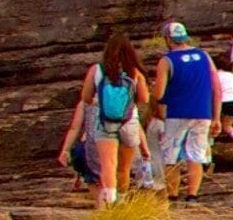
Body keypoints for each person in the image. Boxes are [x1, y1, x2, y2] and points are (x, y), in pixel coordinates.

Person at [60, 35, 142, 205]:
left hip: (105, 122)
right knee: (124, 168)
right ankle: (121, 202)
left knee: (107, 165)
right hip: (129, 121)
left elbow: (85, 97)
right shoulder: (134, 71)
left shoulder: (97, 70)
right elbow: (144, 98)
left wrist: (99, 102)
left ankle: (109, 203)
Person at [145, 21, 221, 200]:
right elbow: (216, 87)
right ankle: (192, 196)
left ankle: (173, 195)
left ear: (168, 39)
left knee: (171, 156)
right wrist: (216, 117)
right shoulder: (204, 55)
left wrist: (151, 93)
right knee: (195, 155)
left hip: (177, 113)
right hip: (202, 113)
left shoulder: (167, 61)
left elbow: (159, 92)